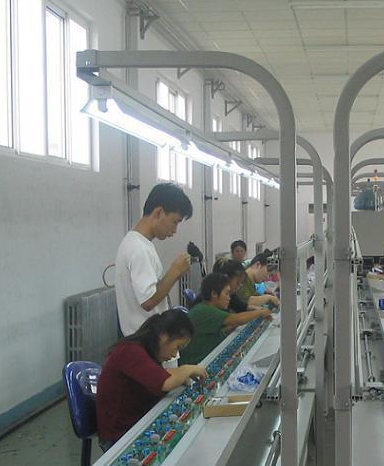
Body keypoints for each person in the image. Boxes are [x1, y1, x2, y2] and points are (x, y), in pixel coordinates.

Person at [96, 309, 207, 451]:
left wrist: (180, 375)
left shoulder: (146, 349)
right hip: (120, 436)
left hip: (137, 423)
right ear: (164, 336)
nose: (175, 354)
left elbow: (157, 374)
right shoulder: (131, 351)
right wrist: (186, 369)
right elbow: (164, 383)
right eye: (177, 347)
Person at [115, 183, 193, 336]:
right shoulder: (139, 248)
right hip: (147, 341)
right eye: (175, 222)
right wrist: (175, 271)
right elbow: (148, 301)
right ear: (159, 213)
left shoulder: (139, 243)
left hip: (148, 339)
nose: (175, 230)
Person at [180, 273, 272, 365]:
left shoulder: (206, 307)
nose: (229, 298)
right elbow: (237, 319)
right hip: (195, 363)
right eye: (227, 294)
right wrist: (261, 312)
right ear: (214, 294)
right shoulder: (205, 310)